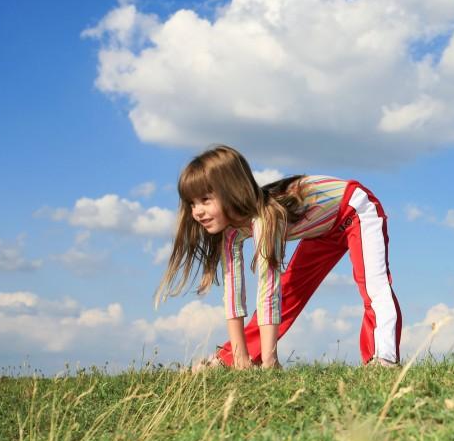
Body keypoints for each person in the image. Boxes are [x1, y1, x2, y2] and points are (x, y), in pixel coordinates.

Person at [156, 145, 402, 369]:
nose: (197, 211)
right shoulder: (230, 232)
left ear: (231, 191)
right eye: (192, 203)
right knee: (290, 292)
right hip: (322, 230)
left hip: (354, 210)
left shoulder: (265, 219)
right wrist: (239, 355)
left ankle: (383, 358)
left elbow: (267, 287)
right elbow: (233, 293)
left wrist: (270, 360)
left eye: (205, 200)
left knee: (372, 285)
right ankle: (229, 359)